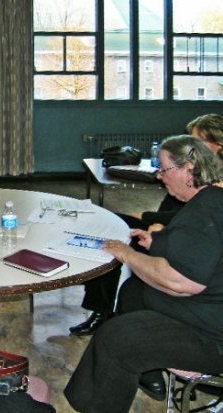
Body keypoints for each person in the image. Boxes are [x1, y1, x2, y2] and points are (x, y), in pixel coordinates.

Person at [64, 135, 223, 413]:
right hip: (211, 308)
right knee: (134, 291)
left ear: (189, 168)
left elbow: (181, 282)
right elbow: (200, 249)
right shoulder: (211, 200)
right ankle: (151, 378)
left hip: (213, 334)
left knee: (116, 340)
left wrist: (127, 254)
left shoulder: (205, 211)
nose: (160, 177)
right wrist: (158, 242)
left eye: (164, 169)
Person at [69, 113, 223, 338]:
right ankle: (101, 310)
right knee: (111, 228)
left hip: (179, 237)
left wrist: (151, 221)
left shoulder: (213, 185)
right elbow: (173, 209)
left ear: (218, 146)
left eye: (197, 141)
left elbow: (199, 223)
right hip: (166, 226)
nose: (191, 145)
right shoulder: (192, 173)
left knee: (121, 233)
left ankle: (115, 320)